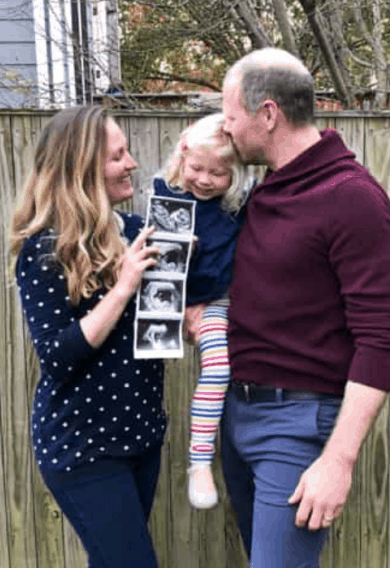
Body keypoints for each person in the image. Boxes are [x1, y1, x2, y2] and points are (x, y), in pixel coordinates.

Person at [206, 48, 390, 567]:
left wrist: (338, 460)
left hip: (296, 425)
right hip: (238, 414)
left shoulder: (351, 197)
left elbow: (383, 337)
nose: (225, 127)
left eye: (230, 115)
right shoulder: (265, 189)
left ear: (268, 114)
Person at [9, 106, 164, 568]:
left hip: (142, 436)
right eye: (117, 156)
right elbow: (57, 357)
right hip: (84, 447)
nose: (131, 163)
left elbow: (157, 325)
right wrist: (124, 286)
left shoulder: (134, 232)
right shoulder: (45, 250)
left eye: (126, 152)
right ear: (82, 169)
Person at [151, 113, 253, 509]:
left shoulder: (238, 205)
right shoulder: (168, 197)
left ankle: (200, 461)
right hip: (168, 300)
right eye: (197, 168)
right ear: (182, 157)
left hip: (219, 302)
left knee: (220, 367)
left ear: (235, 175)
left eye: (218, 173)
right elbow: (155, 268)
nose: (205, 180)